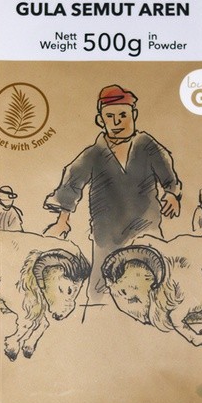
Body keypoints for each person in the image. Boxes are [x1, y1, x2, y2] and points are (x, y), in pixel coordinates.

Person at [44, 84, 181, 291]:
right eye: (110, 116)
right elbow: (72, 182)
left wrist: (171, 194)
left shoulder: (146, 144)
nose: (117, 122)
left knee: (154, 285)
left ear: (134, 115)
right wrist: (63, 220)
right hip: (106, 234)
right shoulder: (94, 153)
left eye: (123, 115)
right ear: (100, 120)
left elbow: (167, 172)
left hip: (146, 229)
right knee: (100, 289)